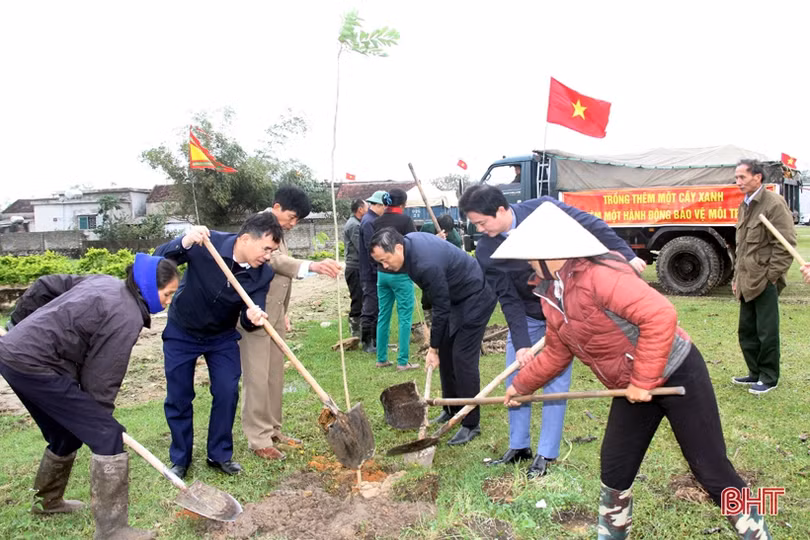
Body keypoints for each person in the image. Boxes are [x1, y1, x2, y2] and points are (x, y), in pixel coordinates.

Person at [497, 202, 770, 540]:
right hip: (631, 385)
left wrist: (644, 380)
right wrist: (521, 385)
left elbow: (660, 316)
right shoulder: (552, 293)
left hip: (677, 372)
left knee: (711, 470)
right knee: (615, 469)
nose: (526, 263)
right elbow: (557, 351)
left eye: (529, 255)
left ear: (551, 252)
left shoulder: (599, 276)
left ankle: (758, 532)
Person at [458, 184, 646, 477]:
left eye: (483, 222)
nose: (480, 229)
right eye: (476, 225)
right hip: (529, 315)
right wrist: (521, 343)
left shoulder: (544, 210)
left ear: (501, 210)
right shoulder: (486, 250)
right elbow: (507, 298)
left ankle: (547, 453)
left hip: (562, 309)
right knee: (516, 374)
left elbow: (591, 225)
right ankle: (519, 446)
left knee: (554, 378)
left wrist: (625, 253)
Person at [0, 254, 180, 540]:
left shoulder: (105, 283)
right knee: (106, 436)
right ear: (147, 285)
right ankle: (113, 530)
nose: (168, 301)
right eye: (167, 293)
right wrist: (100, 422)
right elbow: (102, 378)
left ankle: (46, 503)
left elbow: (46, 285)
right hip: (37, 366)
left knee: (66, 433)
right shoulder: (127, 315)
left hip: (12, 357)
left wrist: (17, 326)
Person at [154, 212, 284, 478]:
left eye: (273, 251)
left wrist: (251, 318)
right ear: (246, 239)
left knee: (226, 391)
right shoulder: (206, 245)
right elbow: (160, 259)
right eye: (267, 248)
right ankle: (180, 458)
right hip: (183, 331)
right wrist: (185, 241)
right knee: (179, 397)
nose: (268, 256)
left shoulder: (263, 274)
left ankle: (219, 454)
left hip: (221, 337)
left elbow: (251, 313)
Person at [237, 186, 341, 461]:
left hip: (273, 313)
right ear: (277, 207)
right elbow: (275, 261)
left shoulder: (279, 230)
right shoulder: (259, 227)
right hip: (254, 315)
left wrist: (283, 310)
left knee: (274, 375)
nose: (293, 224)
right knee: (257, 377)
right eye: (291, 217)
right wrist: (313, 266)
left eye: (297, 220)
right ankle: (258, 438)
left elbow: (279, 280)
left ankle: (273, 429)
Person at [370, 229, 496, 445]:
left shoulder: (424, 263)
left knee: (462, 357)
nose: (385, 267)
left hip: (475, 296)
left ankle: (470, 423)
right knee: (447, 353)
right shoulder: (408, 247)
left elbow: (441, 306)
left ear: (398, 248)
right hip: (454, 297)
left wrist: (433, 348)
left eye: (385, 260)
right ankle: (451, 408)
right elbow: (432, 295)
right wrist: (439, 347)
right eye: (379, 263)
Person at [731, 159, 796, 395]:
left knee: (766, 331)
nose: (737, 182)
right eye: (736, 177)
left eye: (742, 177)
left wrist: (771, 277)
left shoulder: (773, 204)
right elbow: (742, 248)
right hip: (746, 279)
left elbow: (786, 244)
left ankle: (769, 377)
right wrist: (736, 276)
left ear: (757, 177)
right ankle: (755, 372)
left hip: (764, 280)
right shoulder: (745, 205)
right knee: (747, 330)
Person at [372, 188, 419, 370]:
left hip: (382, 273)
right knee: (404, 317)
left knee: (383, 315)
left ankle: (381, 358)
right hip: (400, 274)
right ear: (403, 204)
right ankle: (402, 361)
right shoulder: (405, 220)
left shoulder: (378, 221)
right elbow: (413, 243)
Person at [418, 213, 462, 328]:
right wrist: (434, 239)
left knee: (443, 300)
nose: (445, 233)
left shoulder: (455, 239)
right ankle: (429, 326)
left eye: (447, 231)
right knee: (427, 299)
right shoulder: (427, 228)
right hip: (427, 268)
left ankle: (446, 326)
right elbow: (419, 246)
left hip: (445, 271)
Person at [358, 190, 387, 353]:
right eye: (385, 206)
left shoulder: (372, 220)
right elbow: (372, 249)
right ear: (379, 205)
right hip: (370, 272)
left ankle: (376, 340)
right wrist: (379, 266)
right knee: (370, 307)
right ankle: (366, 342)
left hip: (374, 271)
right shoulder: (369, 222)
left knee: (378, 307)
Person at [344, 198, 368, 337]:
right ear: (360, 209)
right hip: (355, 267)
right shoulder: (354, 225)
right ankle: (355, 333)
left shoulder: (357, 223)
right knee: (357, 299)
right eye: (366, 207)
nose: (368, 209)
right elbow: (361, 247)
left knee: (361, 298)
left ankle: (360, 332)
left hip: (357, 267)